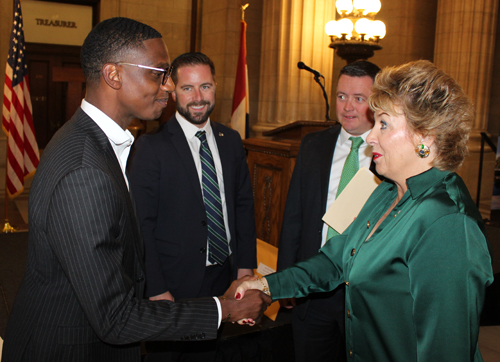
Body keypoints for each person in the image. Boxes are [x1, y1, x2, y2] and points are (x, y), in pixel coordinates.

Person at [1, 17, 270, 362]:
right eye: (158, 74)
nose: (169, 87)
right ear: (114, 75)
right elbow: (115, 317)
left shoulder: (94, 141)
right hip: (70, 347)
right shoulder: (85, 170)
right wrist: (223, 310)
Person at [236, 60, 494, 361]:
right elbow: (336, 260)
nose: (371, 137)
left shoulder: (447, 223)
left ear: (425, 137)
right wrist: (266, 284)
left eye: (383, 124)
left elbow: (446, 352)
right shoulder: (386, 192)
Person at [128, 52, 256, 361]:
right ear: (172, 90)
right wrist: (156, 289)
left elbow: (242, 205)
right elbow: (141, 224)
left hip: (222, 275)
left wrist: (245, 267)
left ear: (215, 87)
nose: (198, 97)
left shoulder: (231, 139)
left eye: (206, 87)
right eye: (188, 88)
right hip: (174, 282)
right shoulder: (150, 147)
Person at [277, 60, 380, 362]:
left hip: (365, 293)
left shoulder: (390, 151)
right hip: (314, 288)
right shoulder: (313, 145)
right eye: (341, 96)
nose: (347, 107)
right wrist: (288, 278)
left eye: (359, 99)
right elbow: (293, 215)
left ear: (377, 101)